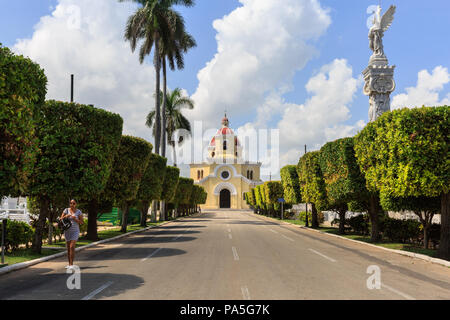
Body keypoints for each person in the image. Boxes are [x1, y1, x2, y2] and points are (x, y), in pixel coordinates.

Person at [60, 199, 84, 269]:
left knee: (72, 247)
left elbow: (82, 222)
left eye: (74, 203)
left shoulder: (79, 212)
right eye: (71, 203)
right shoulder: (66, 210)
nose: (72, 205)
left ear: (76, 204)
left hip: (75, 231)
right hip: (67, 231)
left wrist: (75, 219)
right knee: (68, 248)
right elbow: (61, 218)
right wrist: (66, 216)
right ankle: (69, 264)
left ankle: (71, 264)